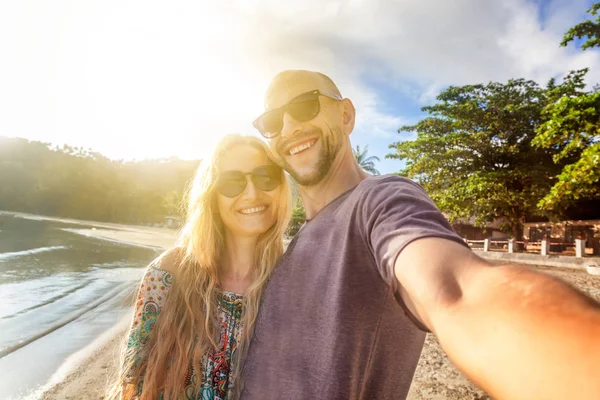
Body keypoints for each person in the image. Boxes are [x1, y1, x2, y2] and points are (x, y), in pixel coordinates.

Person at [241, 70, 600, 399]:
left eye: (304, 106)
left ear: (346, 115)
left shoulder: (379, 202)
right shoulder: (298, 238)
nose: (288, 126)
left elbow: (458, 292)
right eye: (272, 120)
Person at [109, 134, 292, 400]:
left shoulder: (294, 285)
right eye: (232, 182)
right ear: (212, 195)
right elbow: (132, 386)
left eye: (265, 177)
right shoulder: (168, 273)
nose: (252, 193)